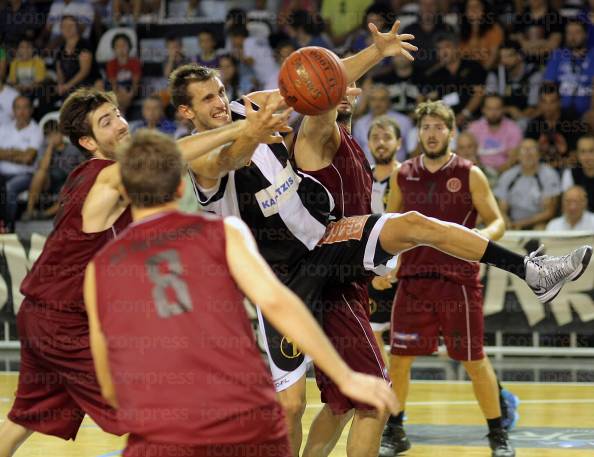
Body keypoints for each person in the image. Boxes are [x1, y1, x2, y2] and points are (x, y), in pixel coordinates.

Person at [170, 24, 591, 456]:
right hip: (278, 280)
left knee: (412, 223)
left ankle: (532, 270)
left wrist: (378, 51)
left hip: (325, 238)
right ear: (186, 112)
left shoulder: (249, 108)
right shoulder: (198, 152)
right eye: (207, 98)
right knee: (291, 407)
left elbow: (321, 75)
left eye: (220, 91)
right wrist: (252, 135)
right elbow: (229, 159)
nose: (220, 102)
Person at [0, 87, 291, 457]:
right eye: (106, 123)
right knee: (159, 412)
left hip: (44, 314)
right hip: (63, 323)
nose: (121, 125)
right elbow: (168, 158)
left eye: (118, 114)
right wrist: (241, 128)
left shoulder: (87, 175)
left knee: (25, 418)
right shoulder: (104, 177)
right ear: (88, 141)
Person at [85, 130, 399, 457]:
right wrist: (344, 376)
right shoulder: (225, 233)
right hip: (244, 419)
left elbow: (108, 383)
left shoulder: (101, 268)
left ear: (123, 191)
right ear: (181, 186)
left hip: (163, 431)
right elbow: (278, 301)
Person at [382, 100, 514, 457]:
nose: (432, 133)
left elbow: (498, 220)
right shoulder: (403, 173)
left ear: (451, 132)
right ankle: (395, 430)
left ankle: (497, 433)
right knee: (399, 360)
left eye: (439, 127)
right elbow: (389, 224)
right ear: (419, 132)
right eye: (426, 127)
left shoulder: (470, 172)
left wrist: (482, 238)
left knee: (473, 360)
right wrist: (383, 265)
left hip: (458, 281)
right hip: (413, 280)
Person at [22, 120, 86, 221]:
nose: (53, 137)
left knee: (73, 188)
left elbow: (83, 169)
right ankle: (29, 211)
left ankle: (44, 214)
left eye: (55, 133)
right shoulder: (44, 148)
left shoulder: (73, 148)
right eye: (49, 136)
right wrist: (50, 147)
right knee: (39, 174)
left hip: (69, 182)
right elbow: (43, 168)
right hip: (50, 181)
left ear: (61, 133)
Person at [495, 138, 561, 230]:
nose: (528, 154)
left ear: (539, 154)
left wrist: (521, 224)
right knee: (500, 228)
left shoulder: (549, 175)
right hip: (513, 222)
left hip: (538, 222)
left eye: (532, 149)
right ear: (518, 156)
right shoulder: (508, 175)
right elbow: (502, 209)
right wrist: (506, 221)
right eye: (524, 150)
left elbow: (549, 212)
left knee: (540, 229)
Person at [0, 96, 43, 231]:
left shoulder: (36, 130)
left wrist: (6, 153)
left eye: (25, 107)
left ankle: (8, 228)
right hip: (2, 172)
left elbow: (28, 159)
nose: (22, 111)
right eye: (18, 107)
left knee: (10, 188)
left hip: (25, 175)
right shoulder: (4, 128)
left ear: (31, 110)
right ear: (13, 110)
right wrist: (19, 153)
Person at [543, 19, 594, 117]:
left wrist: (592, 112)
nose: (573, 37)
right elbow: (548, 86)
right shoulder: (557, 55)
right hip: (559, 113)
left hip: (587, 114)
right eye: (569, 33)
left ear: (586, 34)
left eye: (577, 32)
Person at [466, 94, 523, 173]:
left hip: (506, 173)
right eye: (489, 108)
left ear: (503, 109)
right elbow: (467, 154)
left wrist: (495, 175)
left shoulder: (513, 129)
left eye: (497, 108)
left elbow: (513, 158)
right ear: (483, 110)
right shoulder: (473, 129)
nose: (493, 113)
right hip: (478, 172)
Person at [106, 33, 142, 115]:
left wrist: (130, 95)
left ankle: (122, 114)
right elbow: (113, 84)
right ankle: (122, 113)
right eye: (118, 46)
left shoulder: (135, 62)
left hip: (132, 89)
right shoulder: (111, 63)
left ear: (129, 47)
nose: (121, 49)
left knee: (126, 91)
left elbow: (135, 83)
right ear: (114, 49)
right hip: (117, 90)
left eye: (123, 45)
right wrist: (118, 95)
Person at [561, 135, 594, 212]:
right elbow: (567, 205)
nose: (587, 156)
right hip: (580, 218)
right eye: (583, 152)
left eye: (591, 151)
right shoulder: (570, 173)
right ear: (577, 154)